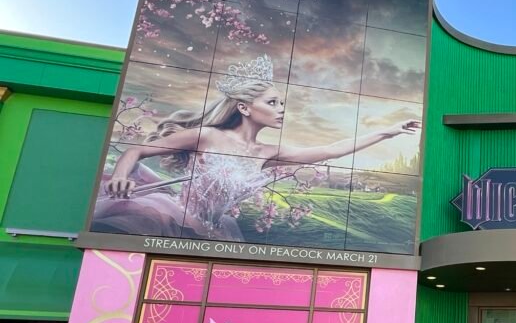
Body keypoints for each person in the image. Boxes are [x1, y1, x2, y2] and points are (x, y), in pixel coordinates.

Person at [96, 54, 420, 239]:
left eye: (282, 103)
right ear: (245, 107)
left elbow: (331, 149)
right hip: (173, 217)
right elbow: (135, 151)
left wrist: (388, 132)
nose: (281, 109)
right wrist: (121, 176)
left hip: (216, 232)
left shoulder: (268, 153)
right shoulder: (208, 136)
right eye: (273, 102)